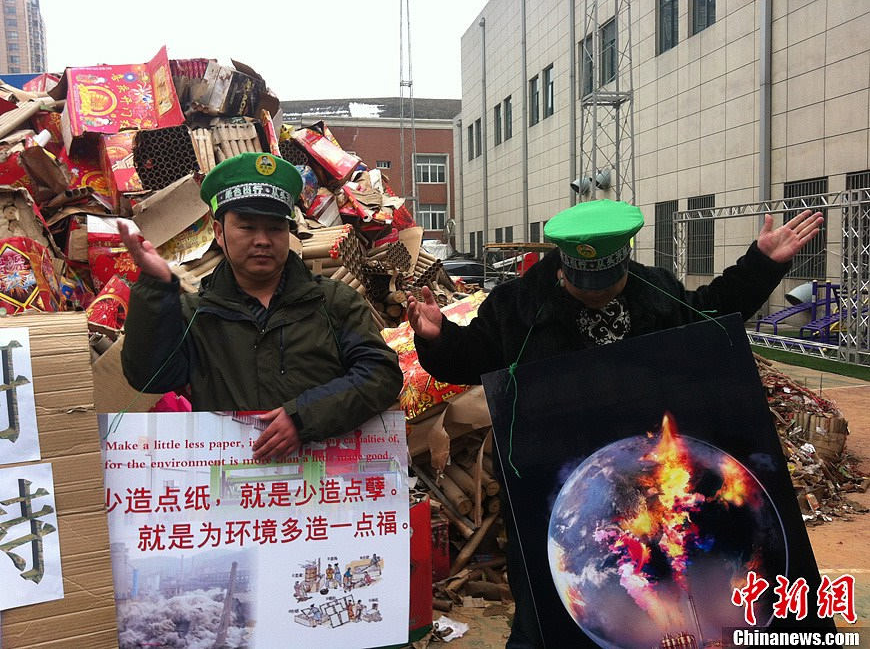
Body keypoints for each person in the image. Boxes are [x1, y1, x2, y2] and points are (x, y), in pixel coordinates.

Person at [406, 198, 823, 649]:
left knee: (657, 606)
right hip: (555, 486)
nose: (598, 293)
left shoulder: (655, 291)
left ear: (625, 263)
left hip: (650, 480)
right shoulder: (517, 307)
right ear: (564, 267)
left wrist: (760, 264)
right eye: (584, 286)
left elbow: (707, 316)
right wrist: (439, 338)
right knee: (542, 615)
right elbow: (472, 359)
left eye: (609, 284)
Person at [119, 152, 403, 460]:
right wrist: (156, 287)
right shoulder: (194, 314)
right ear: (219, 232)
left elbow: (381, 375)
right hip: (230, 489)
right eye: (247, 227)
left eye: (275, 228)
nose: (263, 240)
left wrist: (304, 417)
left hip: (321, 492)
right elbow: (149, 377)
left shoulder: (333, 302)